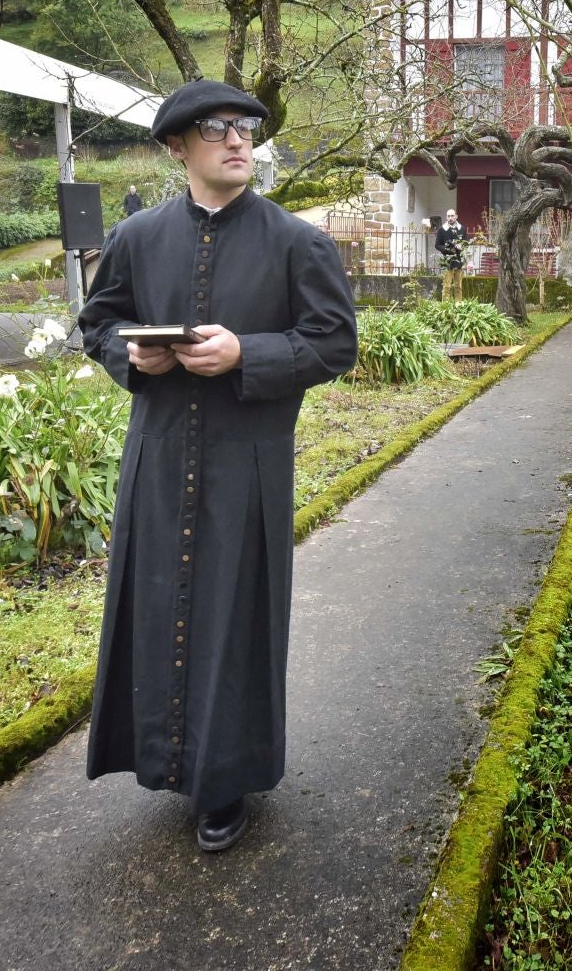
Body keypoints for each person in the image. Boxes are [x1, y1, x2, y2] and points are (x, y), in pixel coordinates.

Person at [78, 80, 358, 853]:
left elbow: (336, 343)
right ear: (178, 147)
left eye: (248, 129)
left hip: (247, 466)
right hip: (160, 457)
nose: (239, 140)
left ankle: (225, 781)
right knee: (158, 601)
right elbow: (96, 322)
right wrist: (130, 354)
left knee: (234, 615)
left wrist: (248, 352)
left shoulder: (299, 242)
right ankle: (164, 762)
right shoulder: (137, 236)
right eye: (218, 129)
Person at [435, 208, 469, 302]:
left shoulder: (462, 229)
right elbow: (437, 245)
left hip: (459, 261)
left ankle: (458, 306)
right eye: (448, 216)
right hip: (446, 261)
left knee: (458, 286)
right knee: (447, 286)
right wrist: (448, 250)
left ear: (456, 216)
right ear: (446, 217)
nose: (450, 218)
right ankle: (445, 307)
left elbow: (466, 243)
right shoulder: (442, 229)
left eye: (452, 216)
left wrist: (461, 246)